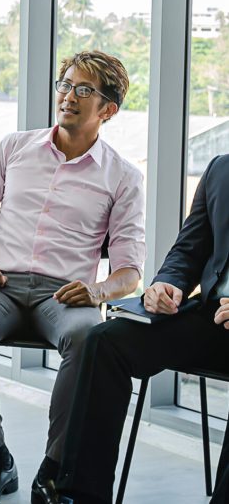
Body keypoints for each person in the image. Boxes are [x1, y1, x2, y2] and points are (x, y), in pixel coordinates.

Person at [0, 51, 145, 504]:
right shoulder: (15, 147)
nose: (69, 96)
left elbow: (130, 270)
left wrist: (97, 290)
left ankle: (53, 469)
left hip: (67, 295)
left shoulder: (124, 177)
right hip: (1, 284)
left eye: (84, 90)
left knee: (89, 342)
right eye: (66, 85)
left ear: (108, 109)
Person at [51, 152, 229, 504]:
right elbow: (189, 249)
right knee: (105, 341)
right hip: (213, 317)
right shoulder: (221, 168)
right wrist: (167, 283)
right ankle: (81, 495)